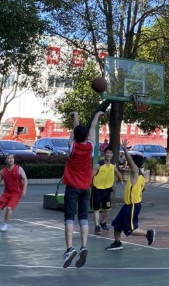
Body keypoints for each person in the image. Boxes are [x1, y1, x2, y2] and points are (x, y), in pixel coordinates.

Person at [62, 110, 104, 269]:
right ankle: (84, 246)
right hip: (85, 188)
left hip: (72, 187)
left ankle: (69, 249)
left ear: (75, 136)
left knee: (69, 217)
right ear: (86, 136)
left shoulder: (72, 147)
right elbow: (92, 128)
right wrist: (97, 115)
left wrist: (75, 116)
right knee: (83, 217)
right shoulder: (91, 146)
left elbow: (75, 130)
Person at [105, 139, 155, 251]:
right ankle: (117, 243)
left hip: (133, 205)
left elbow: (130, 161)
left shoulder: (135, 172)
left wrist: (125, 150)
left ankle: (148, 233)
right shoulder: (141, 176)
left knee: (131, 230)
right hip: (128, 205)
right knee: (117, 224)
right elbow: (144, 189)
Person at [0, 154, 28, 232]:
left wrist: (24, 190)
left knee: (9, 208)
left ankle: (5, 224)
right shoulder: (2, 171)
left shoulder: (19, 169)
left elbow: (25, 179)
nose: (11, 160)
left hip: (16, 193)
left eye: (12, 158)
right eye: (8, 158)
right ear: (6, 160)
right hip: (6, 193)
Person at [92, 146, 123, 234]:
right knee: (97, 209)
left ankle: (103, 222)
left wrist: (121, 180)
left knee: (107, 209)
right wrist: (89, 184)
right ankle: (97, 226)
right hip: (98, 189)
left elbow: (116, 172)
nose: (109, 154)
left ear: (112, 155)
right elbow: (91, 175)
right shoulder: (98, 165)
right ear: (104, 154)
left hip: (107, 190)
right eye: (107, 153)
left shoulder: (113, 164)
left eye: (110, 153)